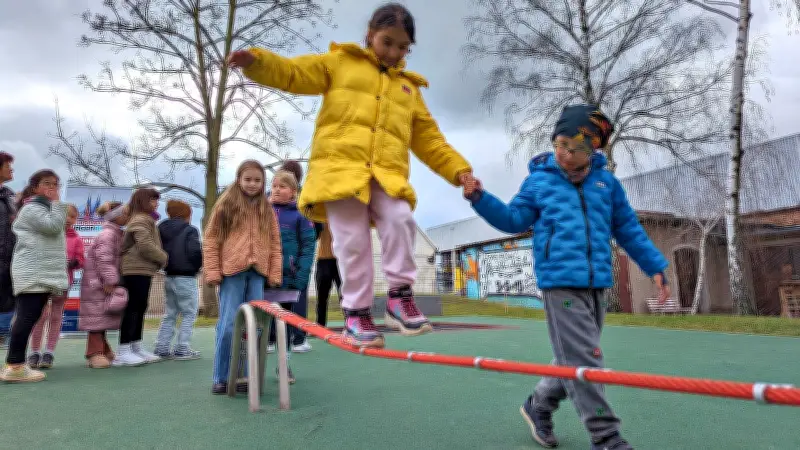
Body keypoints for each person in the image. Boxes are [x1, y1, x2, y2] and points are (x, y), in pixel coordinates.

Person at [227, 3, 476, 348]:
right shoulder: (341, 63)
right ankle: (356, 313)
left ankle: (398, 296)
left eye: (403, 47)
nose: (394, 52)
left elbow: (431, 141)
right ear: (370, 36)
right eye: (387, 42)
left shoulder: (408, 90)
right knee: (352, 242)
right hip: (340, 173)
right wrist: (257, 62)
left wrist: (460, 170)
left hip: (386, 175)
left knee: (401, 217)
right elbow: (296, 73)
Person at [465, 104, 671, 450]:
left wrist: (655, 267)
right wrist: (480, 198)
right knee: (585, 359)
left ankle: (538, 405)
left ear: (594, 150)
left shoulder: (607, 184)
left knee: (571, 358)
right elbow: (514, 220)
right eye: (561, 144)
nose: (566, 153)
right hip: (559, 281)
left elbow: (628, 229)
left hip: (596, 283)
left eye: (577, 148)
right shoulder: (539, 182)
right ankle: (606, 438)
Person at [203, 160, 282, 395]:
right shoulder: (226, 204)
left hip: (257, 273)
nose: (252, 184)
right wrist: (213, 271)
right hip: (232, 272)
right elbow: (211, 239)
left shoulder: (266, 209)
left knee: (255, 327)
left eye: (257, 180)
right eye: (247, 179)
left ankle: (247, 375)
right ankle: (222, 376)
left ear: (263, 183)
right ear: (239, 179)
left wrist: (274, 272)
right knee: (228, 325)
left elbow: (274, 242)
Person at [0, 170, 68, 383]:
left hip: (39, 272)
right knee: (27, 317)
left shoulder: (42, 208)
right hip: (33, 272)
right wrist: (58, 204)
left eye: (56, 184)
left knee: (29, 317)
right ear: (35, 187)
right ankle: (15, 365)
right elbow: (53, 226)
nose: (52, 188)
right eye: (47, 183)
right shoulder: (32, 208)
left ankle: (16, 364)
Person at [267, 171, 316, 377]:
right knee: (259, 323)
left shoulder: (300, 216)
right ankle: (251, 368)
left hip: (287, 278)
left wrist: (300, 277)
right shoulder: (262, 212)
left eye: (283, 187)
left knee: (283, 324)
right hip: (261, 277)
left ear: (293, 192)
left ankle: (284, 366)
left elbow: (308, 247)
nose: (277, 190)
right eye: (274, 185)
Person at [116, 188, 168, 366]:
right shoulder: (140, 219)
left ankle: (135, 346)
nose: (157, 203)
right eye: (153, 200)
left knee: (140, 307)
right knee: (133, 308)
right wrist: (164, 258)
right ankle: (124, 350)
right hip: (135, 269)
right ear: (143, 201)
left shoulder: (145, 219)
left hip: (143, 269)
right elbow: (145, 245)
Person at [28, 204, 84, 369]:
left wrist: (74, 262)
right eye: (66, 215)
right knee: (40, 316)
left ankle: (49, 352)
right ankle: (34, 352)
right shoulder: (46, 235)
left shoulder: (76, 238)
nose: (69, 219)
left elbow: (81, 260)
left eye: (73, 217)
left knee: (56, 316)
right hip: (44, 281)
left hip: (63, 283)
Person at [79, 201, 130, 369]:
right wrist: (111, 280)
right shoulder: (108, 235)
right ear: (118, 216)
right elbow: (104, 259)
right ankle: (94, 353)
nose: (129, 217)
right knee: (96, 318)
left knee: (103, 317)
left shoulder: (115, 233)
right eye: (126, 213)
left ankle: (104, 349)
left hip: (98, 282)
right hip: (98, 284)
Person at [153, 199, 203, 360]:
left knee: (170, 313)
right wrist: (197, 267)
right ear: (187, 214)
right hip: (186, 276)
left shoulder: (160, 228)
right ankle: (182, 347)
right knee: (189, 313)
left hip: (168, 275)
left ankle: (161, 347)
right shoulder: (191, 230)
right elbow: (195, 251)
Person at [0, 152, 16, 349]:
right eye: (8, 165)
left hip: (10, 261)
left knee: (8, 302)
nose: (11, 169)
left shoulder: (10, 196)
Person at [314, 223, 341, 328]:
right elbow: (314, 236)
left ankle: (351, 324)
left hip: (341, 259)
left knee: (345, 294)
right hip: (323, 259)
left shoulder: (342, 214)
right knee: (321, 296)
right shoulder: (319, 214)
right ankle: (320, 324)